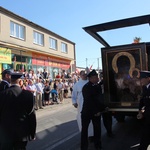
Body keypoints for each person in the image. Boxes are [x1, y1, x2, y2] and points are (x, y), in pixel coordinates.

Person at [0, 72, 36, 150]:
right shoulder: (28, 95)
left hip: (5, 133)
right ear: (20, 82)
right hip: (22, 133)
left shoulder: (2, 94)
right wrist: (32, 134)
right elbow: (31, 116)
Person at [81, 69, 107, 150]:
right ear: (91, 78)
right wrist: (96, 111)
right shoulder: (86, 87)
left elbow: (99, 99)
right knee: (84, 130)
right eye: (96, 77)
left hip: (97, 112)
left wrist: (104, 107)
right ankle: (84, 147)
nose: (98, 78)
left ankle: (98, 145)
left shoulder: (98, 86)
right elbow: (89, 101)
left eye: (97, 77)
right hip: (87, 112)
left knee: (97, 129)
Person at [72, 70, 93, 137]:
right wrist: (74, 102)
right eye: (83, 75)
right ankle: (84, 134)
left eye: (85, 74)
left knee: (91, 119)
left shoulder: (90, 82)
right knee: (82, 119)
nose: (85, 76)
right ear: (80, 76)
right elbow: (74, 95)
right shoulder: (77, 84)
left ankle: (92, 134)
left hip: (90, 103)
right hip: (81, 104)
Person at [137, 71, 150, 150]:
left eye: (142, 79)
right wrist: (140, 110)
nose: (141, 80)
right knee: (145, 136)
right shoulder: (145, 87)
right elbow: (142, 100)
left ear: (148, 79)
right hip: (147, 116)